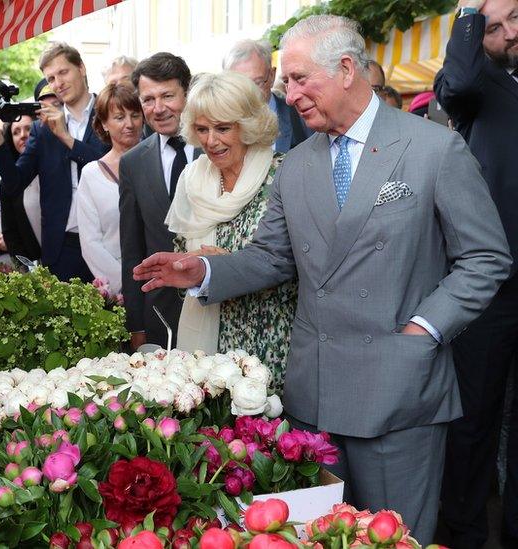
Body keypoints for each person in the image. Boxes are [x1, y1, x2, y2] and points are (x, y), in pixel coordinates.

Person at [133, 15, 511, 544]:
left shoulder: (433, 149)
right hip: (315, 405)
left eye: (299, 78)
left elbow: (487, 258)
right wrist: (203, 269)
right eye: (286, 82)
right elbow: (272, 258)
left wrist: (425, 328)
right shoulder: (297, 165)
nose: (288, 95)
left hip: (398, 394)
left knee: (393, 539)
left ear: (347, 69)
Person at [434, 0, 518, 545]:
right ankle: (461, 534)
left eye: (515, 17)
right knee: (475, 419)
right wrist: (469, 8)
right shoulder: (473, 85)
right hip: (492, 285)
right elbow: (459, 78)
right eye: (494, 27)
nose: (510, 32)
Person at [166, 71, 296, 384]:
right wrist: (187, 264)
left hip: (269, 340)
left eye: (223, 128)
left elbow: (300, 261)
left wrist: (226, 263)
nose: (210, 140)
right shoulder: (192, 179)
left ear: (248, 125)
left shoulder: (284, 175)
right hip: (206, 345)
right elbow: (182, 251)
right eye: (202, 129)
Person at [0, 42, 109, 282]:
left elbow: (112, 170)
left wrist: (66, 137)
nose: (58, 83)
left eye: (63, 72)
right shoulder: (42, 130)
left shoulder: (109, 113)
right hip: (63, 246)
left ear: (81, 68)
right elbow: (14, 183)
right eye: (51, 78)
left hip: (108, 240)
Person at [119, 52, 194, 351]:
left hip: (217, 306)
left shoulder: (215, 147)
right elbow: (131, 250)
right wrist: (136, 324)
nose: (158, 108)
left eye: (167, 96)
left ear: (187, 94)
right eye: (148, 99)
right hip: (160, 314)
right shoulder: (133, 162)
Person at [76, 82, 143, 295]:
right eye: (119, 117)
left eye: (135, 115)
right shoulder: (91, 175)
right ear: (104, 123)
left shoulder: (160, 164)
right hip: (121, 290)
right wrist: (128, 283)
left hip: (164, 284)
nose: (129, 124)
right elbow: (90, 243)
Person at [223, 39, 312, 153]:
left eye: (257, 83)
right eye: (238, 85)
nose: (249, 93)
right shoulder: (218, 122)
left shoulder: (300, 117)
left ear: (271, 76)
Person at [0, 116, 43, 262]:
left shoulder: (53, 169)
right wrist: (25, 267)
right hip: (31, 264)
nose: (23, 135)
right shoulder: (8, 181)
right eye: (16, 132)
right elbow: (10, 232)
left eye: (28, 129)